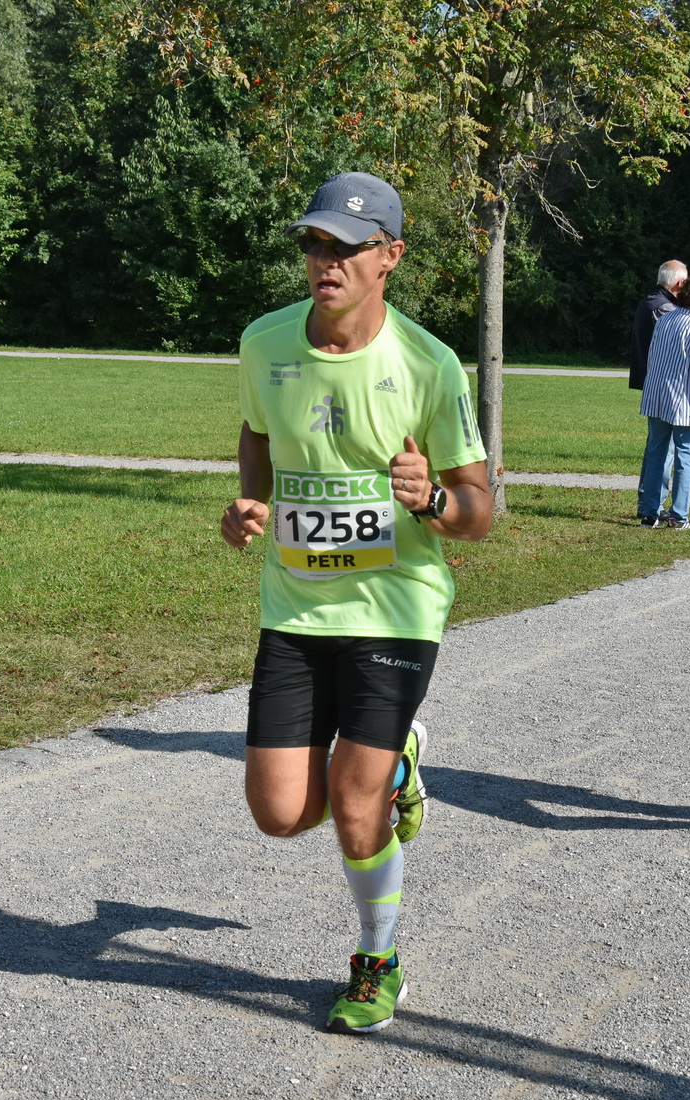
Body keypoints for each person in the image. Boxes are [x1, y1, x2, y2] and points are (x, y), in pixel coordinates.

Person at [220, 171, 492, 1034]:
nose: (324, 261)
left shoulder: (427, 364)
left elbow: (480, 510)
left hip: (395, 605)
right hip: (296, 607)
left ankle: (377, 959)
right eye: (314, 243)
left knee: (355, 799)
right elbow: (257, 434)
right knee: (280, 812)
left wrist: (432, 499)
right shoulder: (265, 343)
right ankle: (401, 760)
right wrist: (251, 500)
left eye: (345, 246)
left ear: (390, 257)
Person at [637, 274, 690, 529]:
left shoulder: (664, 320)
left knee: (656, 455)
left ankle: (650, 513)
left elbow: (654, 358)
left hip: (656, 398)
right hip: (684, 403)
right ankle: (678, 516)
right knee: (684, 458)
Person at [630, 261, 686, 391]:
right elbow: (683, 337)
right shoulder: (664, 307)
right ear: (680, 283)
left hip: (651, 376)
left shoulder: (650, 300)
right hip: (663, 378)